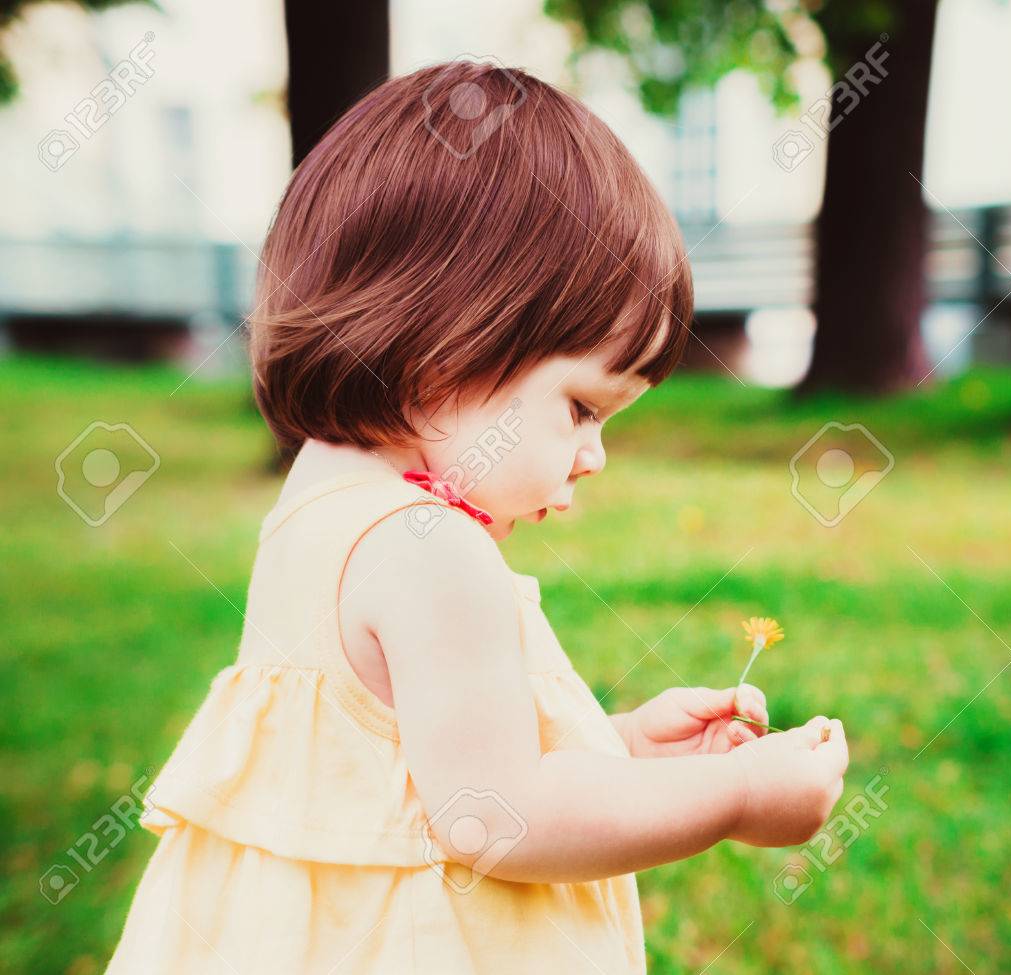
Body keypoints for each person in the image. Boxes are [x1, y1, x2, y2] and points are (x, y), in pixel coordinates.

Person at [106, 59, 848, 974]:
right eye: (581, 407)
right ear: (443, 346)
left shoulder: (316, 504)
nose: (594, 454)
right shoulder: (431, 549)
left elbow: (414, 771)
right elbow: (500, 818)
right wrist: (733, 794)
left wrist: (618, 749)